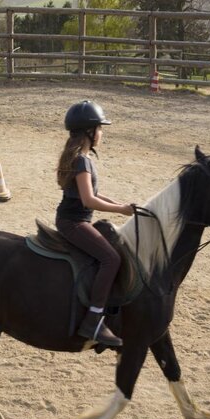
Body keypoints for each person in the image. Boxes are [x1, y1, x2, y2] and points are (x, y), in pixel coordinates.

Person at [56, 100, 136, 347]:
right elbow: (88, 199)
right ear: (90, 131)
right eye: (100, 128)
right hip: (74, 222)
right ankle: (93, 320)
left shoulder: (79, 157)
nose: (102, 133)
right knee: (111, 258)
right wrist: (121, 209)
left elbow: (93, 195)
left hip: (72, 218)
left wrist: (122, 206)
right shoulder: (82, 160)